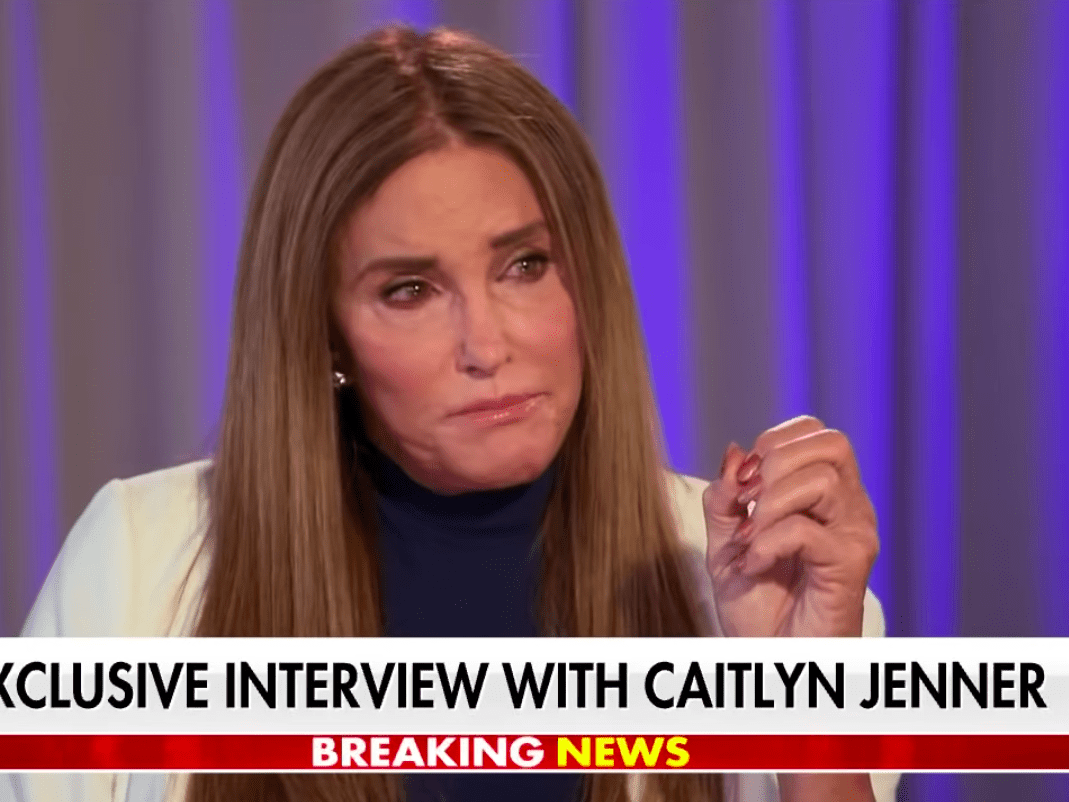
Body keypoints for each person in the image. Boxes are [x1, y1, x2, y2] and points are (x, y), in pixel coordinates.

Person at [3, 24, 899, 802]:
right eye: (409, 289)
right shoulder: (136, 563)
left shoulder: (762, 583)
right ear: (324, 335)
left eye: (524, 266)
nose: (486, 344)